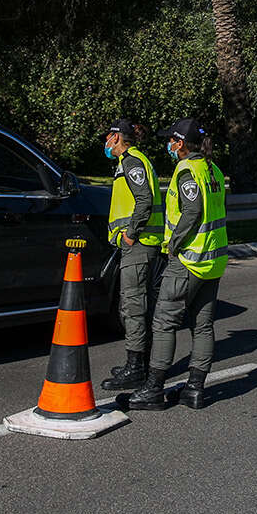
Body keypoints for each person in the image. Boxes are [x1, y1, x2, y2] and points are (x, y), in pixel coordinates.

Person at [124, 118, 228, 410]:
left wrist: (174, 244)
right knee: (202, 325)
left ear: (180, 143)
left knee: (164, 322)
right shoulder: (213, 169)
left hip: (189, 259)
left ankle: (154, 389)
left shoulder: (187, 171)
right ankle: (195, 389)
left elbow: (192, 211)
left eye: (171, 140)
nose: (168, 144)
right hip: (213, 260)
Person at [100, 120, 164, 390]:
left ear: (116, 138)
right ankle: (142, 363)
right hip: (142, 244)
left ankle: (136, 367)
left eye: (108, 136)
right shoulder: (131, 161)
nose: (105, 141)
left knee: (132, 307)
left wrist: (130, 234)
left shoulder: (131, 161)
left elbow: (144, 200)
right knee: (138, 305)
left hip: (138, 244)